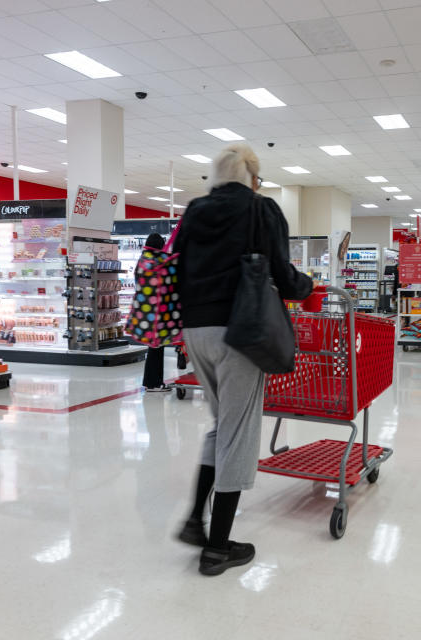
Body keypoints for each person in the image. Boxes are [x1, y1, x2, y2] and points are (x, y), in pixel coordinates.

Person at [173, 143, 313, 576]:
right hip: (241, 330)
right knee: (239, 432)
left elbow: (178, 267)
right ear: (253, 176)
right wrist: (307, 286)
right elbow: (284, 277)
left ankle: (196, 520)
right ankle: (218, 549)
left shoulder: (195, 210)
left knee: (222, 426)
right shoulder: (262, 209)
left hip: (196, 329)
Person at [141, 232, 171, 392]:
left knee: (155, 349)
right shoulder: (155, 262)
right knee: (156, 349)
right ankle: (153, 383)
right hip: (157, 311)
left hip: (146, 311)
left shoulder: (144, 260)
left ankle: (152, 381)